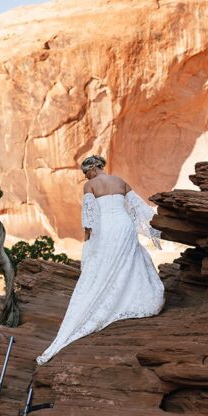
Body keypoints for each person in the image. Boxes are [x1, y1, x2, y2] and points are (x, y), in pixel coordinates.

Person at [35, 155, 165, 365]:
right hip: (124, 227)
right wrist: (153, 228)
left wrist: (88, 237)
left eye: (85, 173)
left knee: (103, 267)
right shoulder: (120, 181)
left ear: (93, 169)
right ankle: (130, 297)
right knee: (127, 262)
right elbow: (138, 207)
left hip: (107, 230)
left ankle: (105, 302)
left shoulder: (90, 186)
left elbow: (90, 216)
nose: (85, 176)